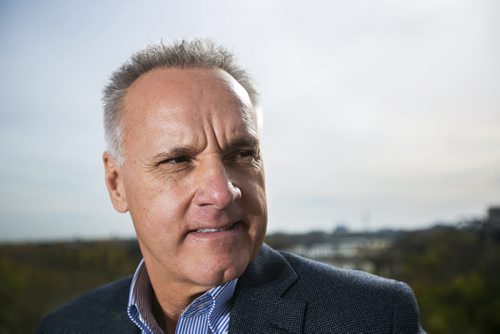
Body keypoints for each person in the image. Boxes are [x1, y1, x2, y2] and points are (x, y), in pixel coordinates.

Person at [37, 39, 425, 333]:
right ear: (116, 183)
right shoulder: (66, 326)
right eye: (178, 160)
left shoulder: (373, 317)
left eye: (241, 153)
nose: (222, 193)